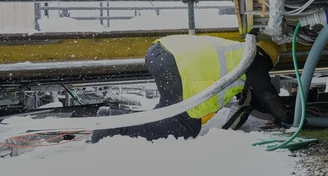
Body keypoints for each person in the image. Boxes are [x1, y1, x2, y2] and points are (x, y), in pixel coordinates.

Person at [90, 32, 291, 143]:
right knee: (183, 126)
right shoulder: (255, 59)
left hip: (161, 51)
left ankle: (115, 117)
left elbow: (255, 98)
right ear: (271, 58)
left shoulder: (240, 54)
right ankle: (111, 125)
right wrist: (289, 118)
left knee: (166, 114)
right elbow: (266, 93)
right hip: (177, 64)